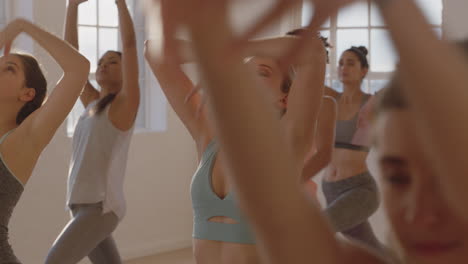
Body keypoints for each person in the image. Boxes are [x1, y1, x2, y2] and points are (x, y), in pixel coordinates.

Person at [153, 0, 468, 263]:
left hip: (355, 187)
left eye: (451, 178)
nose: (420, 212)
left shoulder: (308, 123)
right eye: (397, 178)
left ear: (285, 96)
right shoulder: (216, 139)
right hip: (327, 189)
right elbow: (158, 53)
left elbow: (322, 145)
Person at [144, 4, 332, 262]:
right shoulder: (208, 135)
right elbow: (153, 51)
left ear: (284, 98)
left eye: (261, 73)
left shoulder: (289, 142)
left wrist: (239, 47)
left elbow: (313, 51)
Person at [45, 0, 140, 263]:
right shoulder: (92, 105)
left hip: (101, 207)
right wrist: (72, 6)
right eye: (101, 61)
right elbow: (71, 60)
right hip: (80, 205)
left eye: (113, 61)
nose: (104, 64)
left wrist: (121, 4)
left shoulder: (125, 105)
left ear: (126, 72)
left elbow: (130, 45)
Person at [0, 18, 89, 263]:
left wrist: (22, 25)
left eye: (9, 68)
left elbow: (78, 69)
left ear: (27, 94)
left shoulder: (21, 139)